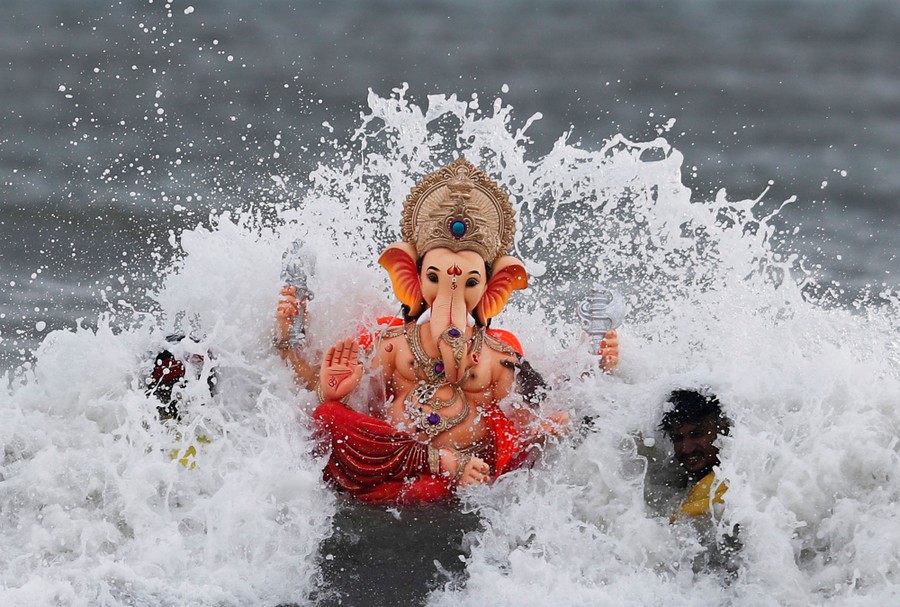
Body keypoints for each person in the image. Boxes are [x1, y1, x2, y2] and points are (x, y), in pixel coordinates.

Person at [274, 158, 619, 505]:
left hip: (464, 479)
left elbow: (536, 410)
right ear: (411, 277)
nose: (450, 292)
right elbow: (334, 397)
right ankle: (433, 461)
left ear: (492, 288)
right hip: (395, 468)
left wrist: (591, 370)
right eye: (435, 278)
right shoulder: (394, 344)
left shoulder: (499, 356)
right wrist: (309, 365)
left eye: (469, 282)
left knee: (548, 433)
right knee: (326, 415)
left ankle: (447, 467)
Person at [660, 389, 730, 521]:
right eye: (677, 438)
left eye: (697, 434)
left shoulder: (726, 489)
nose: (687, 449)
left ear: (723, 429)